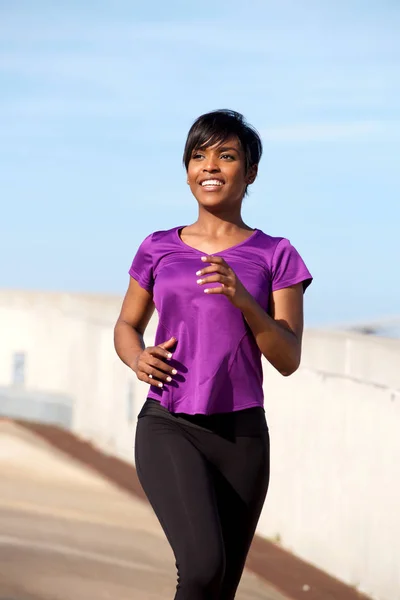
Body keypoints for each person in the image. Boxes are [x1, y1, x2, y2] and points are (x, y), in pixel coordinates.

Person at [114, 109, 312, 600]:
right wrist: (137, 357)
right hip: (169, 422)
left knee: (220, 586)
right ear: (186, 170)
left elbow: (287, 358)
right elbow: (126, 325)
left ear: (251, 172)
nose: (211, 167)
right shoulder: (158, 247)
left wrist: (245, 300)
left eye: (227, 156)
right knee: (202, 569)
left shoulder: (276, 255)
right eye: (198, 156)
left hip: (243, 436)